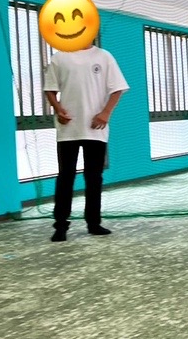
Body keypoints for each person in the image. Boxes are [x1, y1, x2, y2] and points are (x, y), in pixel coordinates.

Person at [44, 41, 129, 241]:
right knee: (66, 176)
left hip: (95, 128)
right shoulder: (59, 57)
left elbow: (117, 89)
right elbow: (50, 89)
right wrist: (58, 109)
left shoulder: (104, 56)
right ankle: (60, 226)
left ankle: (94, 223)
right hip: (68, 129)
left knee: (94, 177)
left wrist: (105, 113)